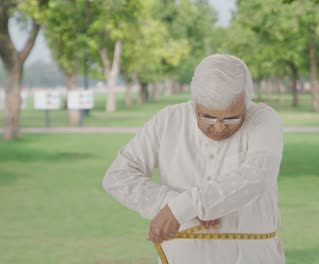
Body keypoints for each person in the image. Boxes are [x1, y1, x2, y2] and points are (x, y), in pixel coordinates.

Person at [103, 54, 285, 263]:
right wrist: (172, 204)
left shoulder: (263, 119)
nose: (218, 127)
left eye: (232, 118)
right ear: (195, 103)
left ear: (246, 102)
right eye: (208, 116)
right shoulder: (168, 120)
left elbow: (258, 176)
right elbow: (118, 176)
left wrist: (190, 205)